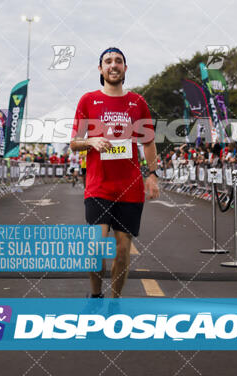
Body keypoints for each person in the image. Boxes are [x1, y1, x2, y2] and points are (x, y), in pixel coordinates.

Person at [70, 47, 159, 298]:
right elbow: (74, 142)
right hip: (98, 185)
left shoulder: (137, 102)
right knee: (97, 248)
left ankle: (115, 301)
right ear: (100, 69)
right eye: (108, 61)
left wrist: (153, 175)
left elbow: (149, 142)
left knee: (122, 250)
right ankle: (96, 295)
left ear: (125, 69)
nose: (113, 65)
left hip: (130, 187)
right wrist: (91, 142)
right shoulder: (88, 100)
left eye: (118, 61)